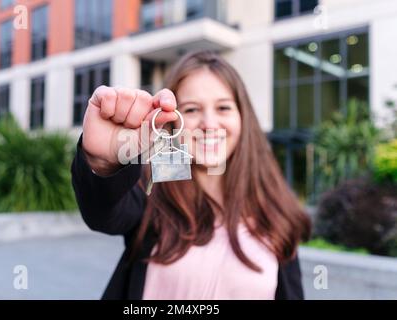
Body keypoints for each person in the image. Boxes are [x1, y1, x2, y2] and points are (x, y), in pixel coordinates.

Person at [71, 50, 311, 300]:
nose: (208, 123)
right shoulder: (152, 194)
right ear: (172, 121)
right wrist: (106, 161)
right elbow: (103, 214)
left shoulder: (275, 211)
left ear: (243, 117)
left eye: (223, 107)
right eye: (192, 109)